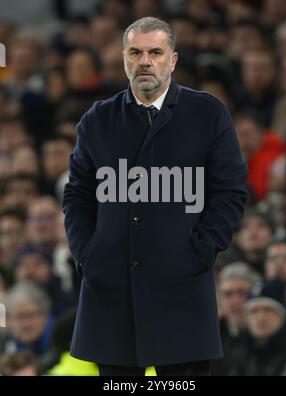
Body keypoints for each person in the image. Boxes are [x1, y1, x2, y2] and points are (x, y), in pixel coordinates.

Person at [63, 17, 248, 376]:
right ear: (123, 59)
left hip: (182, 289)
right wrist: (88, 252)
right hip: (111, 289)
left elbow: (230, 191)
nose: (145, 61)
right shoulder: (97, 119)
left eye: (154, 52)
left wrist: (201, 249)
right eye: (135, 52)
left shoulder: (208, 113)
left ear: (172, 60)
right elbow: (77, 195)